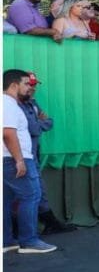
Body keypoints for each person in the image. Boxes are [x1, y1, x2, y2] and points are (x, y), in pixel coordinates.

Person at [3, 69, 57, 253]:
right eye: (26, 84)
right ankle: (29, 241)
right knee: (31, 196)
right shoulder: (8, 104)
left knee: (6, 200)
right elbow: (8, 133)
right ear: (13, 85)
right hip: (14, 159)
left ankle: (6, 241)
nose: (30, 88)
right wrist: (19, 160)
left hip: (9, 159)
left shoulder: (11, 104)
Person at [17, 73, 76, 235]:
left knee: (36, 190)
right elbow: (35, 128)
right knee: (32, 191)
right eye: (29, 84)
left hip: (33, 154)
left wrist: (42, 122)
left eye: (34, 84)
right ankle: (31, 230)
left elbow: (48, 122)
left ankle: (47, 223)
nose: (32, 88)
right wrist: (41, 122)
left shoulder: (32, 103)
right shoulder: (16, 105)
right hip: (21, 155)